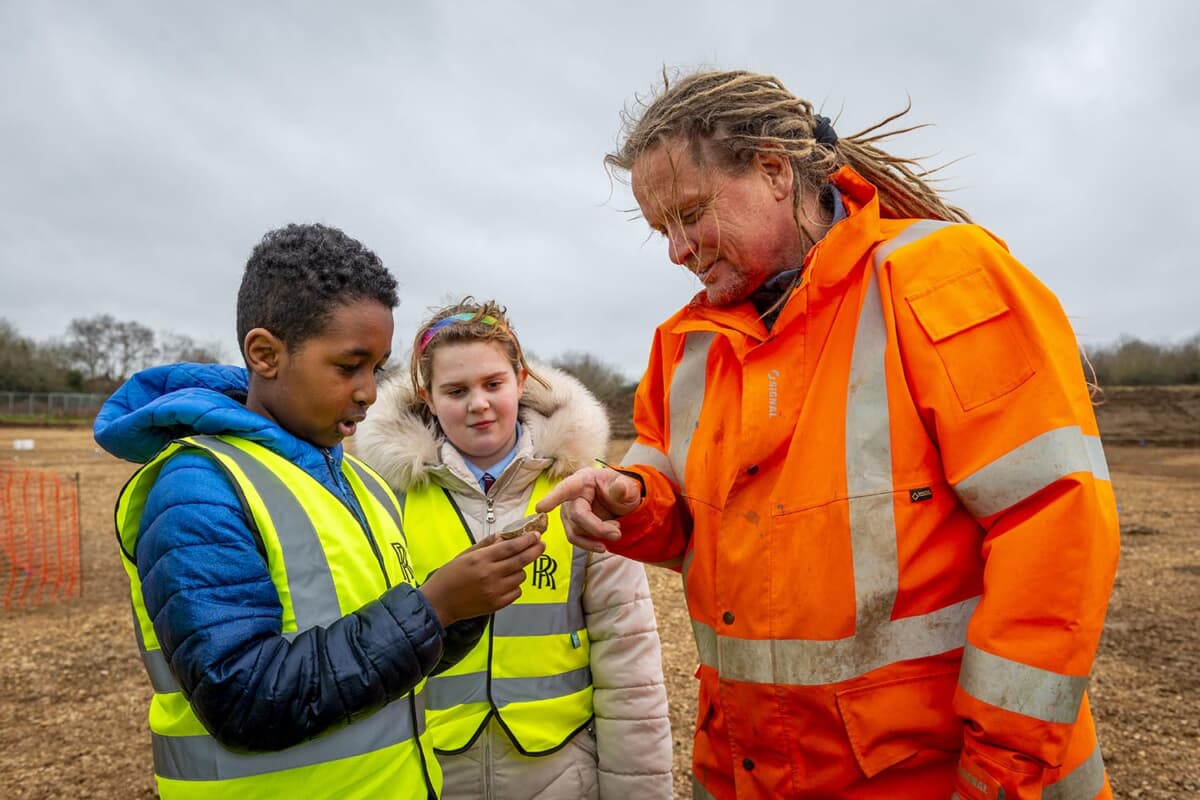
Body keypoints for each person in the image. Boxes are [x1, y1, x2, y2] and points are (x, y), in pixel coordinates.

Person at [536, 70, 1120, 800]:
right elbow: (685, 517)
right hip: (754, 773)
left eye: (690, 214)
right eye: (663, 230)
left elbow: (1056, 532)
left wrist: (1000, 774)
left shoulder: (939, 276)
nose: (678, 252)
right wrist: (629, 501)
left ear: (776, 171)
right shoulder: (683, 348)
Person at [93, 224, 545, 799]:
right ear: (266, 354)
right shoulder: (197, 487)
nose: (369, 392)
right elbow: (244, 698)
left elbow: (378, 648)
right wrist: (435, 605)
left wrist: (461, 605)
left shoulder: (362, 482)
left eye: (376, 368)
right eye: (347, 366)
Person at [354, 298, 674, 799]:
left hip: (561, 776)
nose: (478, 403)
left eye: (492, 384)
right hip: (429, 774)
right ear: (427, 398)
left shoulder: (583, 490)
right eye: (456, 390)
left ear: (521, 380)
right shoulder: (384, 497)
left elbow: (630, 669)